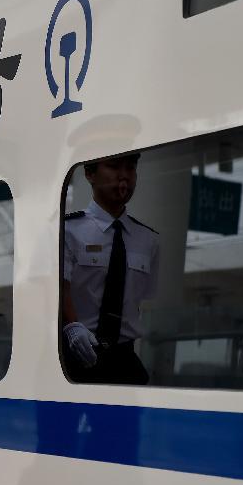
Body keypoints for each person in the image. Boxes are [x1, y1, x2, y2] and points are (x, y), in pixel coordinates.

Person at [62, 153, 159, 385]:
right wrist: (72, 326)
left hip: (125, 361)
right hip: (76, 356)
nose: (124, 175)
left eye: (131, 167)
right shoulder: (67, 231)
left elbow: (144, 299)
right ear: (89, 173)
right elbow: (58, 288)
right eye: (114, 166)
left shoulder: (148, 239)